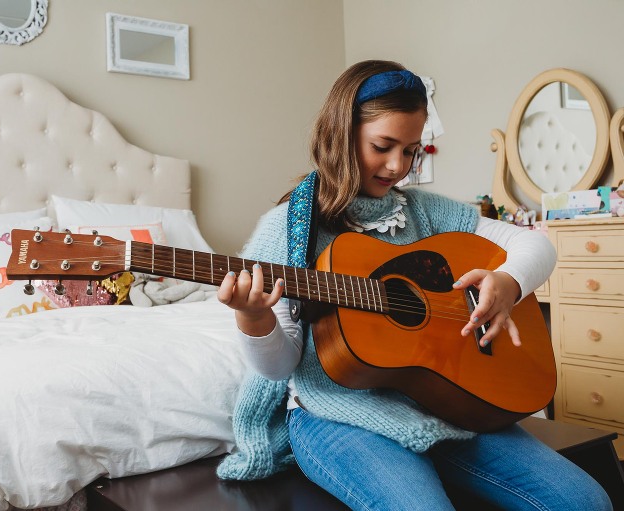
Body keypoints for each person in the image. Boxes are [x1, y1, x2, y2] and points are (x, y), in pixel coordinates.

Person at [215, 60, 612, 511]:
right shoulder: (288, 229)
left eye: (410, 150)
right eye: (383, 146)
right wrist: (254, 317)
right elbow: (279, 365)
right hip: (337, 415)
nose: (397, 166)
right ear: (340, 135)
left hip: (446, 403)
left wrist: (508, 281)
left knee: (585, 501)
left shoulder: (422, 211)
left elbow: (533, 246)